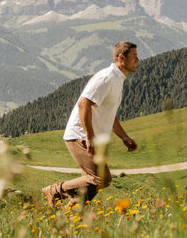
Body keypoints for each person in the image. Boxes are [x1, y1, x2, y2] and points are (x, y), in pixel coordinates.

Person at [42, 41, 139, 205]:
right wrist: (89, 137)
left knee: (90, 185)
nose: (137, 60)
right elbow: (83, 104)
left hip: (88, 137)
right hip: (79, 136)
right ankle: (54, 190)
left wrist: (124, 137)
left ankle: (73, 214)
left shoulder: (118, 79)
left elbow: (109, 113)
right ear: (121, 58)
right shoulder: (106, 77)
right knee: (100, 178)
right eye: (134, 57)